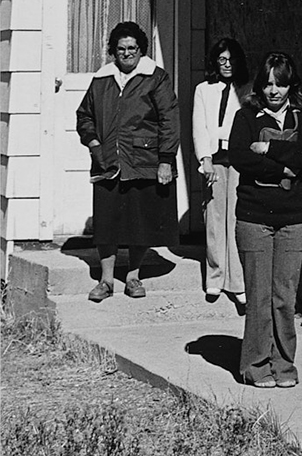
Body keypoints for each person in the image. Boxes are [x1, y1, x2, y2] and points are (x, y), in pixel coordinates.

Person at [229, 52, 302, 389]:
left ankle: (284, 365)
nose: (273, 90)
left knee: (284, 297)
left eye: (280, 84)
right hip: (254, 218)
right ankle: (255, 365)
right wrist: (283, 166)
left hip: (293, 219)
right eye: (267, 84)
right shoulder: (246, 117)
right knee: (259, 296)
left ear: (290, 85)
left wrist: (267, 150)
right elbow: (239, 156)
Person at [75, 21, 180, 301]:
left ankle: (133, 277)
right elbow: (84, 115)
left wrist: (166, 160)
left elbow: (169, 119)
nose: (126, 53)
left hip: (143, 159)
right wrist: (94, 142)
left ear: (141, 49)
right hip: (107, 160)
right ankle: (106, 280)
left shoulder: (155, 77)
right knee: (107, 221)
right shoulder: (101, 80)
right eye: (120, 48)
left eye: (132, 48)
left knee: (138, 221)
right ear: (113, 51)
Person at [192, 38, 251, 310]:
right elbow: (199, 126)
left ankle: (237, 283)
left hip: (238, 159)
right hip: (214, 159)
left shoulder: (248, 91)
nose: (227, 65)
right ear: (215, 62)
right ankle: (214, 277)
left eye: (231, 60)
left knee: (236, 217)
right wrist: (204, 159)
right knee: (214, 219)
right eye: (222, 60)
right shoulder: (204, 90)